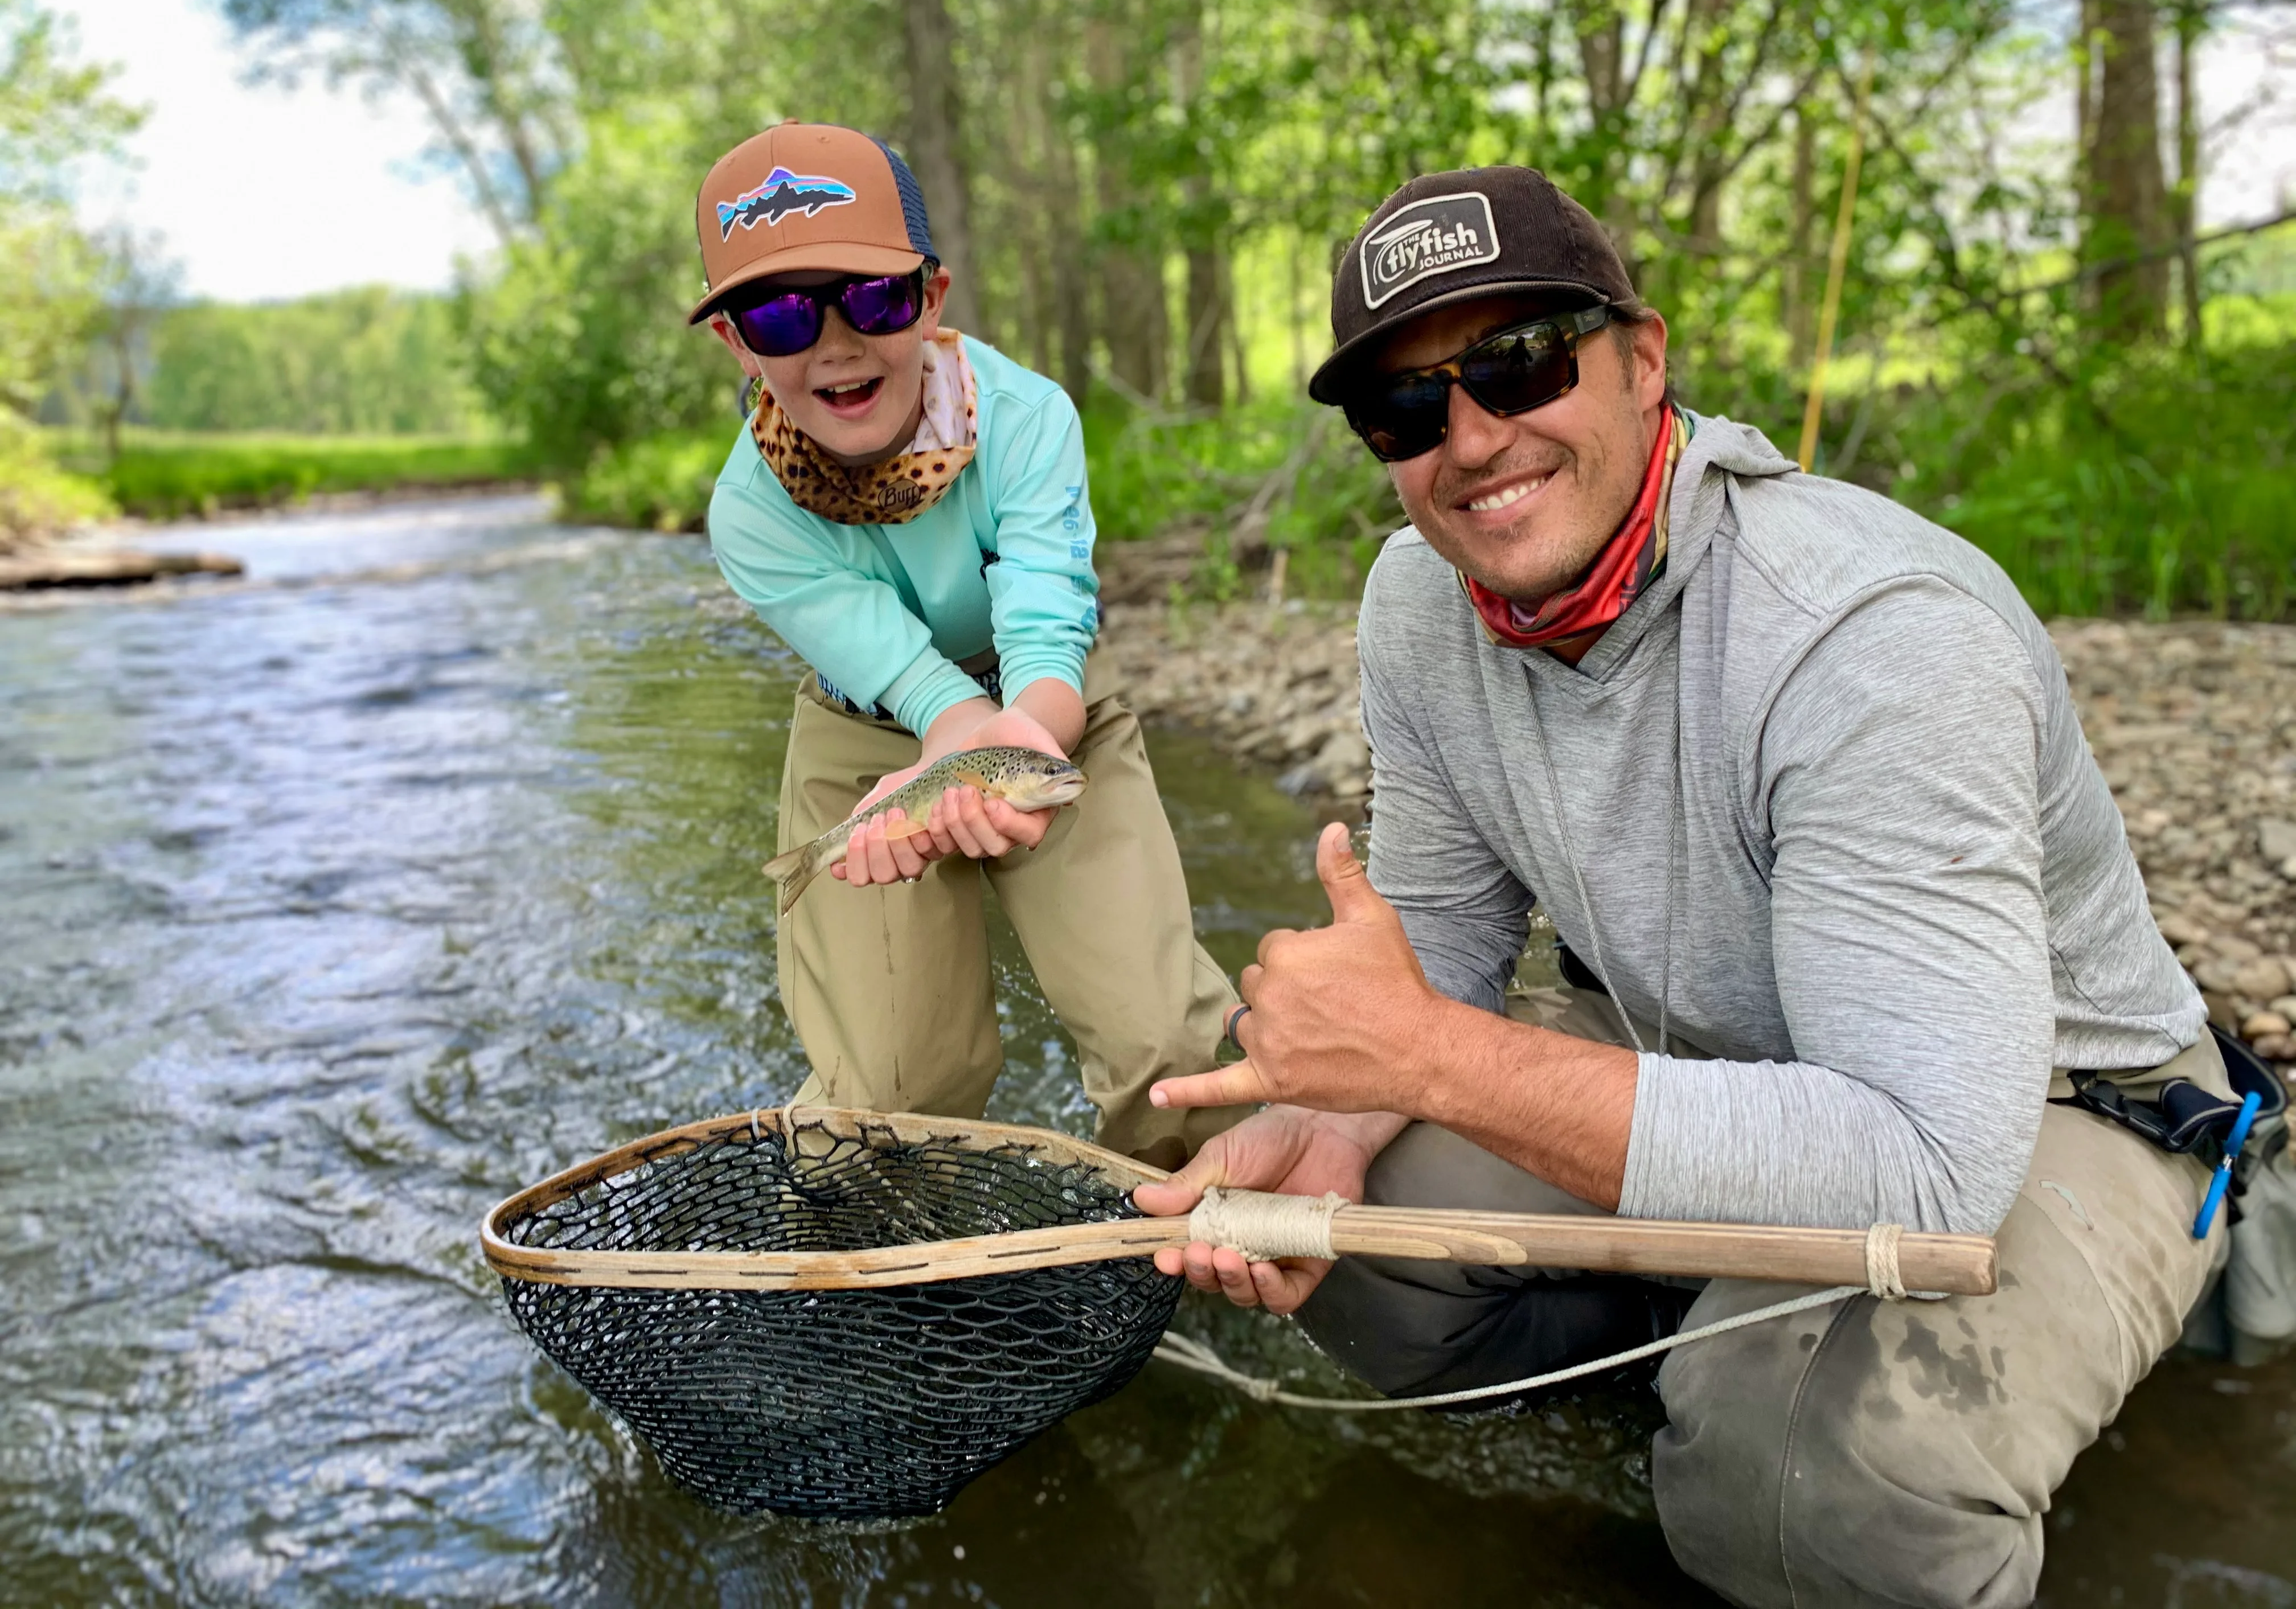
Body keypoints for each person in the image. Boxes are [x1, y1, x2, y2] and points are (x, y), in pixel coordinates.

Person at [1136, 165, 2248, 1606]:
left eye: (1520, 363)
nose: (1472, 440)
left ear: (1643, 360)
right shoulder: (1418, 603)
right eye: (1408, 410)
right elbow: (1450, 939)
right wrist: (1330, 1117)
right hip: (1724, 1055)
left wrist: (1428, 1055)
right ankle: (1704, 1358)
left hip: (2039, 1103)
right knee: (1337, 1245)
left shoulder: (1869, 635)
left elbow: (1927, 1171)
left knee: (1808, 1480)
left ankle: (1782, 1426)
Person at [693, 120, 1240, 1169]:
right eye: (778, 313)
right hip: (864, 736)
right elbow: (914, 684)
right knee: (893, 1092)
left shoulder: (1031, 420)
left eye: (874, 298)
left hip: (1050, 708)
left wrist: (1012, 755)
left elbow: (1044, 635)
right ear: (737, 342)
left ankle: (1200, 1244)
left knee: (1168, 1045)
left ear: (932, 298)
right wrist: (953, 755)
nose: (835, 343)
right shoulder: (747, 516)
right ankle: (898, 1285)